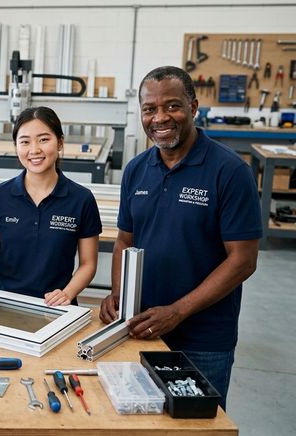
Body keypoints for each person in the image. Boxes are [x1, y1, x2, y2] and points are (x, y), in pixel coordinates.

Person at [99, 66, 261, 407]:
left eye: (172, 106)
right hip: (141, 328)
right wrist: (118, 294)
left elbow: (243, 261)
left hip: (203, 339)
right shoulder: (136, 169)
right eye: (149, 109)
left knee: (196, 426)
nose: (160, 117)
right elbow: (124, 241)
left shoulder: (230, 171)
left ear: (193, 107)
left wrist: (177, 311)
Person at [0, 107, 101, 305]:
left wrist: (67, 293)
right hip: (3, 303)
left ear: (60, 142)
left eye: (44, 139)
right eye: (25, 142)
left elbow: (88, 264)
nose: (34, 149)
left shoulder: (81, 199)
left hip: (55, 305)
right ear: (16, 146)